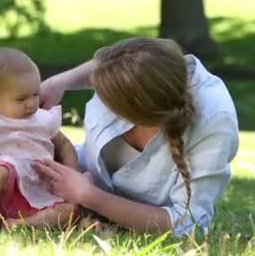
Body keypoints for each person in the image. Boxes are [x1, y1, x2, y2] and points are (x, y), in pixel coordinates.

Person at [35, 37, 239, 235]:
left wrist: (89, 196)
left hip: (113, 205)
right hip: (77, 179)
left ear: (138, 117)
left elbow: (188, 222)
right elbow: (119, 60)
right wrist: (58, 83)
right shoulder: (155, 65)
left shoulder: (213, 121)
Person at [0, 48, 79, 227]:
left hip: (37, 192)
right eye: (21, 99)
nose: (31, 103)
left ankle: (21, 224)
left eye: (35, 94)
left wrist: (70, 173)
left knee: (71, 210)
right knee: (2, 168)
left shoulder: (43, 119)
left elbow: (64, 144)